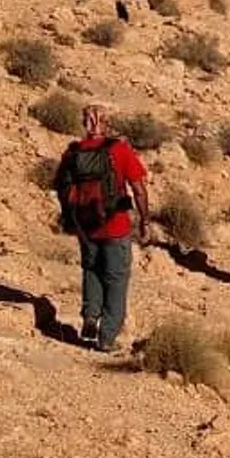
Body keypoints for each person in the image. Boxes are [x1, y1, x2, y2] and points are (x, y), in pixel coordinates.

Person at [51, 104, 150, 353]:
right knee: (116, 280)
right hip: (116, 226)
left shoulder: (73, 152)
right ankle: (107, 338)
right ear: (105, 123)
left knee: (91, 270)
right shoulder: (119, 150)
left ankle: (90, 317)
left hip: (86, 226)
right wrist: (145, 221)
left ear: (84, 124)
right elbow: (138, 188)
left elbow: (60, 186)